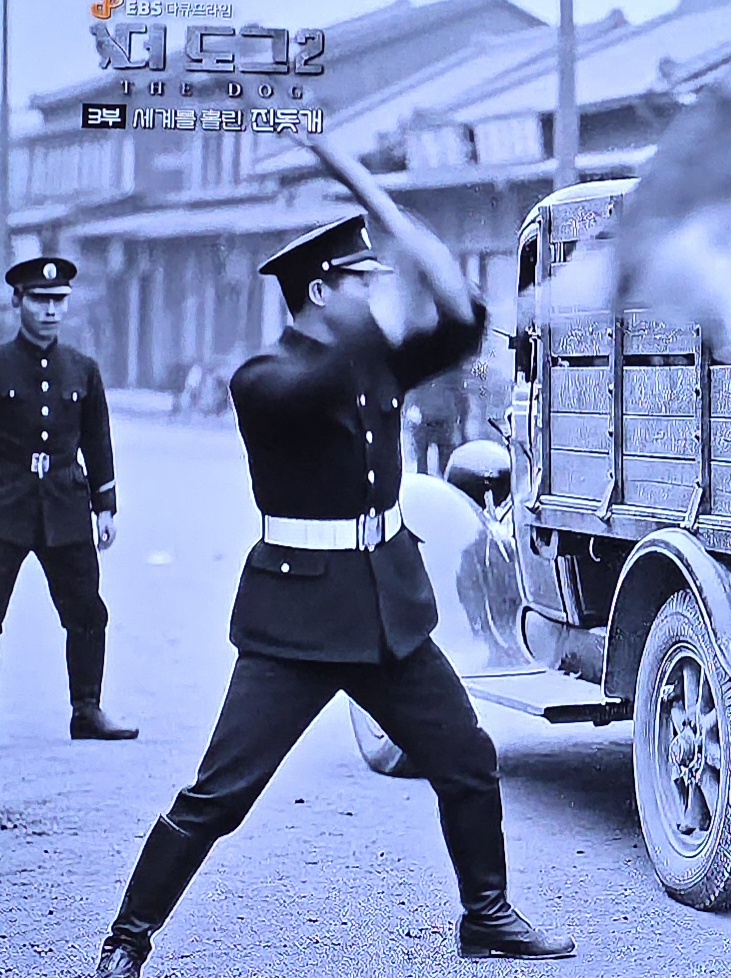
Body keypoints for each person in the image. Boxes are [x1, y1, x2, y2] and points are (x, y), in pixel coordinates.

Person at [91, 135, 574, 978]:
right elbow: (323, 383)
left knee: (467, 760)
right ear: (319, 292)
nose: (375, 295)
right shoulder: (263, 379)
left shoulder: (374, 359)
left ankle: (487, 915)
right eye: (360, 282)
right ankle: (127, 938)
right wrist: (381, 301)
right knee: (219, 795)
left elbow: (463, 321)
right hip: (295, 623)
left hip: (387, 612)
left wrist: (379, 202)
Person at [0, 257, 137, 740]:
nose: (51, 311)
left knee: (86, 612)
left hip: (65, 505)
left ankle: (87, 710)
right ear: (18, 301)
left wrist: (105, 508)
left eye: (59, 301)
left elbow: (97, 441)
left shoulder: (82, 369)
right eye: (40, 300)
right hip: (6, 505)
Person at [406, 366, 469, 476]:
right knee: (427, 466)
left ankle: (435, 481)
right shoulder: (450, 370)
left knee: (442, 466)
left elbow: (461, 398)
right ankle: (428, 481)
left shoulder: (451, 372)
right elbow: (461, 398)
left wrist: (462, 428)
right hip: (429, 421)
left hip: (439, 421)